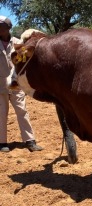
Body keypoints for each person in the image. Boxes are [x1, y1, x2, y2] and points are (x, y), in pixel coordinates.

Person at [0, 15, 43, 152]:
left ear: (8, 27)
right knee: (1, 114)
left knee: (22, 111)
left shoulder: (19, 43)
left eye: (1, 26)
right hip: (0, 85)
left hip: (16, 84)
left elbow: (25, 60)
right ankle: (2, 143)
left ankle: (30, 141)